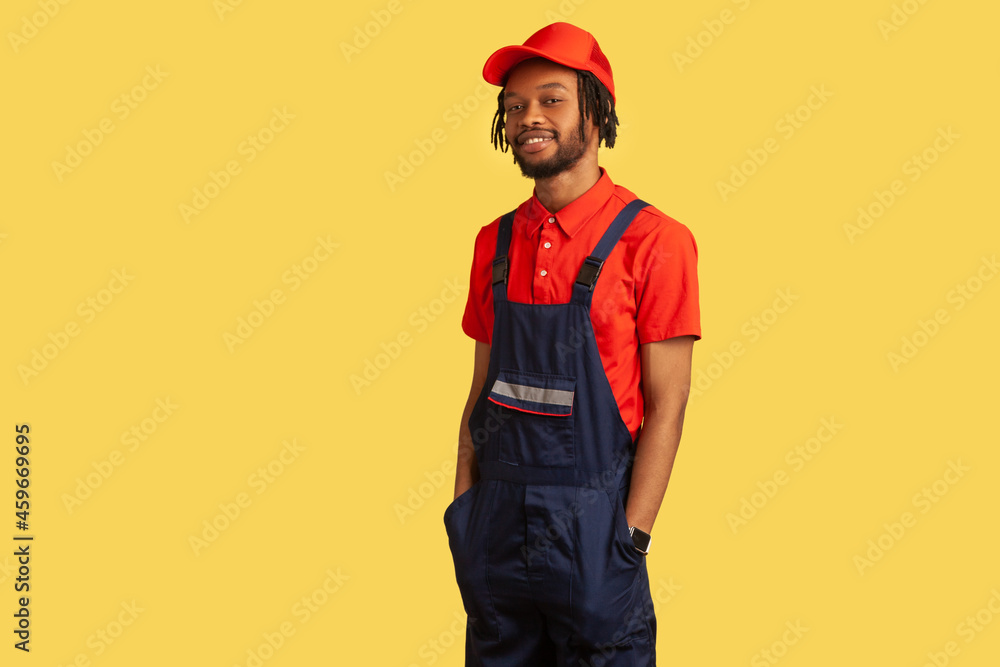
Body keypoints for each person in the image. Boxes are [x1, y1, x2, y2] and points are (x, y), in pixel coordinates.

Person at [444, 22, 701, 666]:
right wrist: (465, 508)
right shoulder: (493, 242)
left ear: (597, 107)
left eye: (551, 99)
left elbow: (667, 406)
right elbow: (481, 390)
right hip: (495, 532)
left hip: (595, 538)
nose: (530, 116)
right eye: (515, 106)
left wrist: (632, 538)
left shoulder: (656, 242)